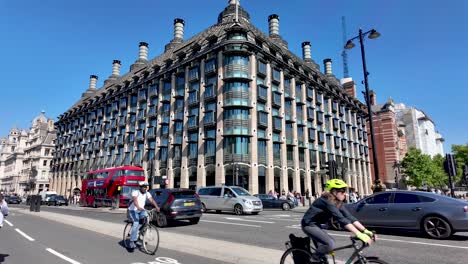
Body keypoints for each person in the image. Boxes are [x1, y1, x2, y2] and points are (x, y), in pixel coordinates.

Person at [301, 179, 375, 262]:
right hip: (308, 225)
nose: (345, 194)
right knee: (330, 244)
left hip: (317, 225)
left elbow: (349, 217)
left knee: (324, 254)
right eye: (342, 191)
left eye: (345, 191)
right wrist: (358, 234)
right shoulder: (326, 201)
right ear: (334, 192)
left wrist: (365, 231)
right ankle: (312, 260)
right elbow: (341, 219)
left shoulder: (337, 202)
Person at [127, 181, 160, 250]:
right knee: (136, 222)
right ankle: (132, 241)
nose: (145, 188)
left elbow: (152, 200)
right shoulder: (135, 192)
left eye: (146, 187)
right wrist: (138, 206)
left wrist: (156, 207)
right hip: (133, 210)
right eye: (143, 187)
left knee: (147, 217)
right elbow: (135, 200)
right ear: (140, 187)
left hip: (141, 210)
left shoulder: (147, 193)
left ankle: (139, 232)